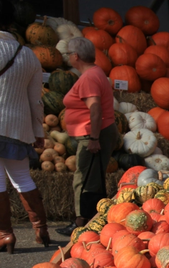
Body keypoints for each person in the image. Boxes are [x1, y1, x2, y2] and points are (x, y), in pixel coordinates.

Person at [0, 5, 50, 253]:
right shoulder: (28, 55)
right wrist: (38, 132)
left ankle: (5, 235)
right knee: (21, 178)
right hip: (18, 127)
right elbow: (36, 100)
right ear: (10, 25)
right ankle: (41, 230)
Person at [57, 37, 119, 236]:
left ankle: (81, 222)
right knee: (91, 178)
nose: (68, 57)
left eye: (68, 54)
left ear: (76, 56)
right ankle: (90, 218)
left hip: (93, 133)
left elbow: (95, 109)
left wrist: (93, 138)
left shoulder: (89, 77)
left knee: (83, 178)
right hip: (98, 131)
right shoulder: (95, 73)